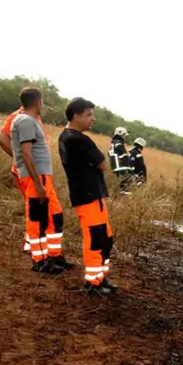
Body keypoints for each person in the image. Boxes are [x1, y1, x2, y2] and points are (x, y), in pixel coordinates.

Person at [58, 98, 117, 295]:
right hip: (87, 194)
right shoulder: (76, 138)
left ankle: (101, 277)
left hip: (91, 194)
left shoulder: (67, 137)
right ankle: (93, 283)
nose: (93, 119)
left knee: (105, 237)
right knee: (95, 237)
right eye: (89, 114)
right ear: (76, 115)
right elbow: (102, 163)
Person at [9, 87, 71, 274]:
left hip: (44, 178)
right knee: (37, 218)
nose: (42, 105)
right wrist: (37, 184)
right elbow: (26, 154)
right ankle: (40, 260)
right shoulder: (25, 121)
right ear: (37, 101)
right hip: (37, 179)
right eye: (42, 101)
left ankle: (53, 255)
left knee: (55, 214)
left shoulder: (29, 120)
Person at [0, 102, 48, 255]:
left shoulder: (33, 118)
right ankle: (32, 245)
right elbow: (1, 137)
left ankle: (31, 242)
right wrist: (19, 159)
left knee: (35, 207)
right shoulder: (19, 116)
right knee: (34, 207)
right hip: (28, 171)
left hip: (35, 171)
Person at [109, 126, 135, 191]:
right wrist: (130, 166)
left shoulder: (114, 142)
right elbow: (124, 156)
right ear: (120, 134)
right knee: (126, 185)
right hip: (121, 167)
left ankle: (121, 196)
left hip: (116, 166)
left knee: (122, 185)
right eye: (124, 135)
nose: (124, 137)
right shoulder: (119, 143)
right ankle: (125, 197)